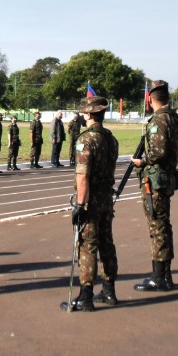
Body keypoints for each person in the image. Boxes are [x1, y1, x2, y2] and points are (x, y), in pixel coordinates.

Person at [65, 95, 119, 312]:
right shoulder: (110, 138)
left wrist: (79, 204)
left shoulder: (85, 140)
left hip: (91, 199)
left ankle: (85, 296)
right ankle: (108, 290)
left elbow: (83, 176)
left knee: (87, 246)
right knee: (107, 243)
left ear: (88, 114)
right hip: (106, 197)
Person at [132, 81, 178, 291]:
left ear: (150, 98)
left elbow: (158, 152)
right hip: (168, 176)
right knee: (164, 225)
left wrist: (142, 161)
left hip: (155, 179)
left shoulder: (158, 120)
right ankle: (165, 274)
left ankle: (159, 277)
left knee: (157, 227)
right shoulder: (177, 119)